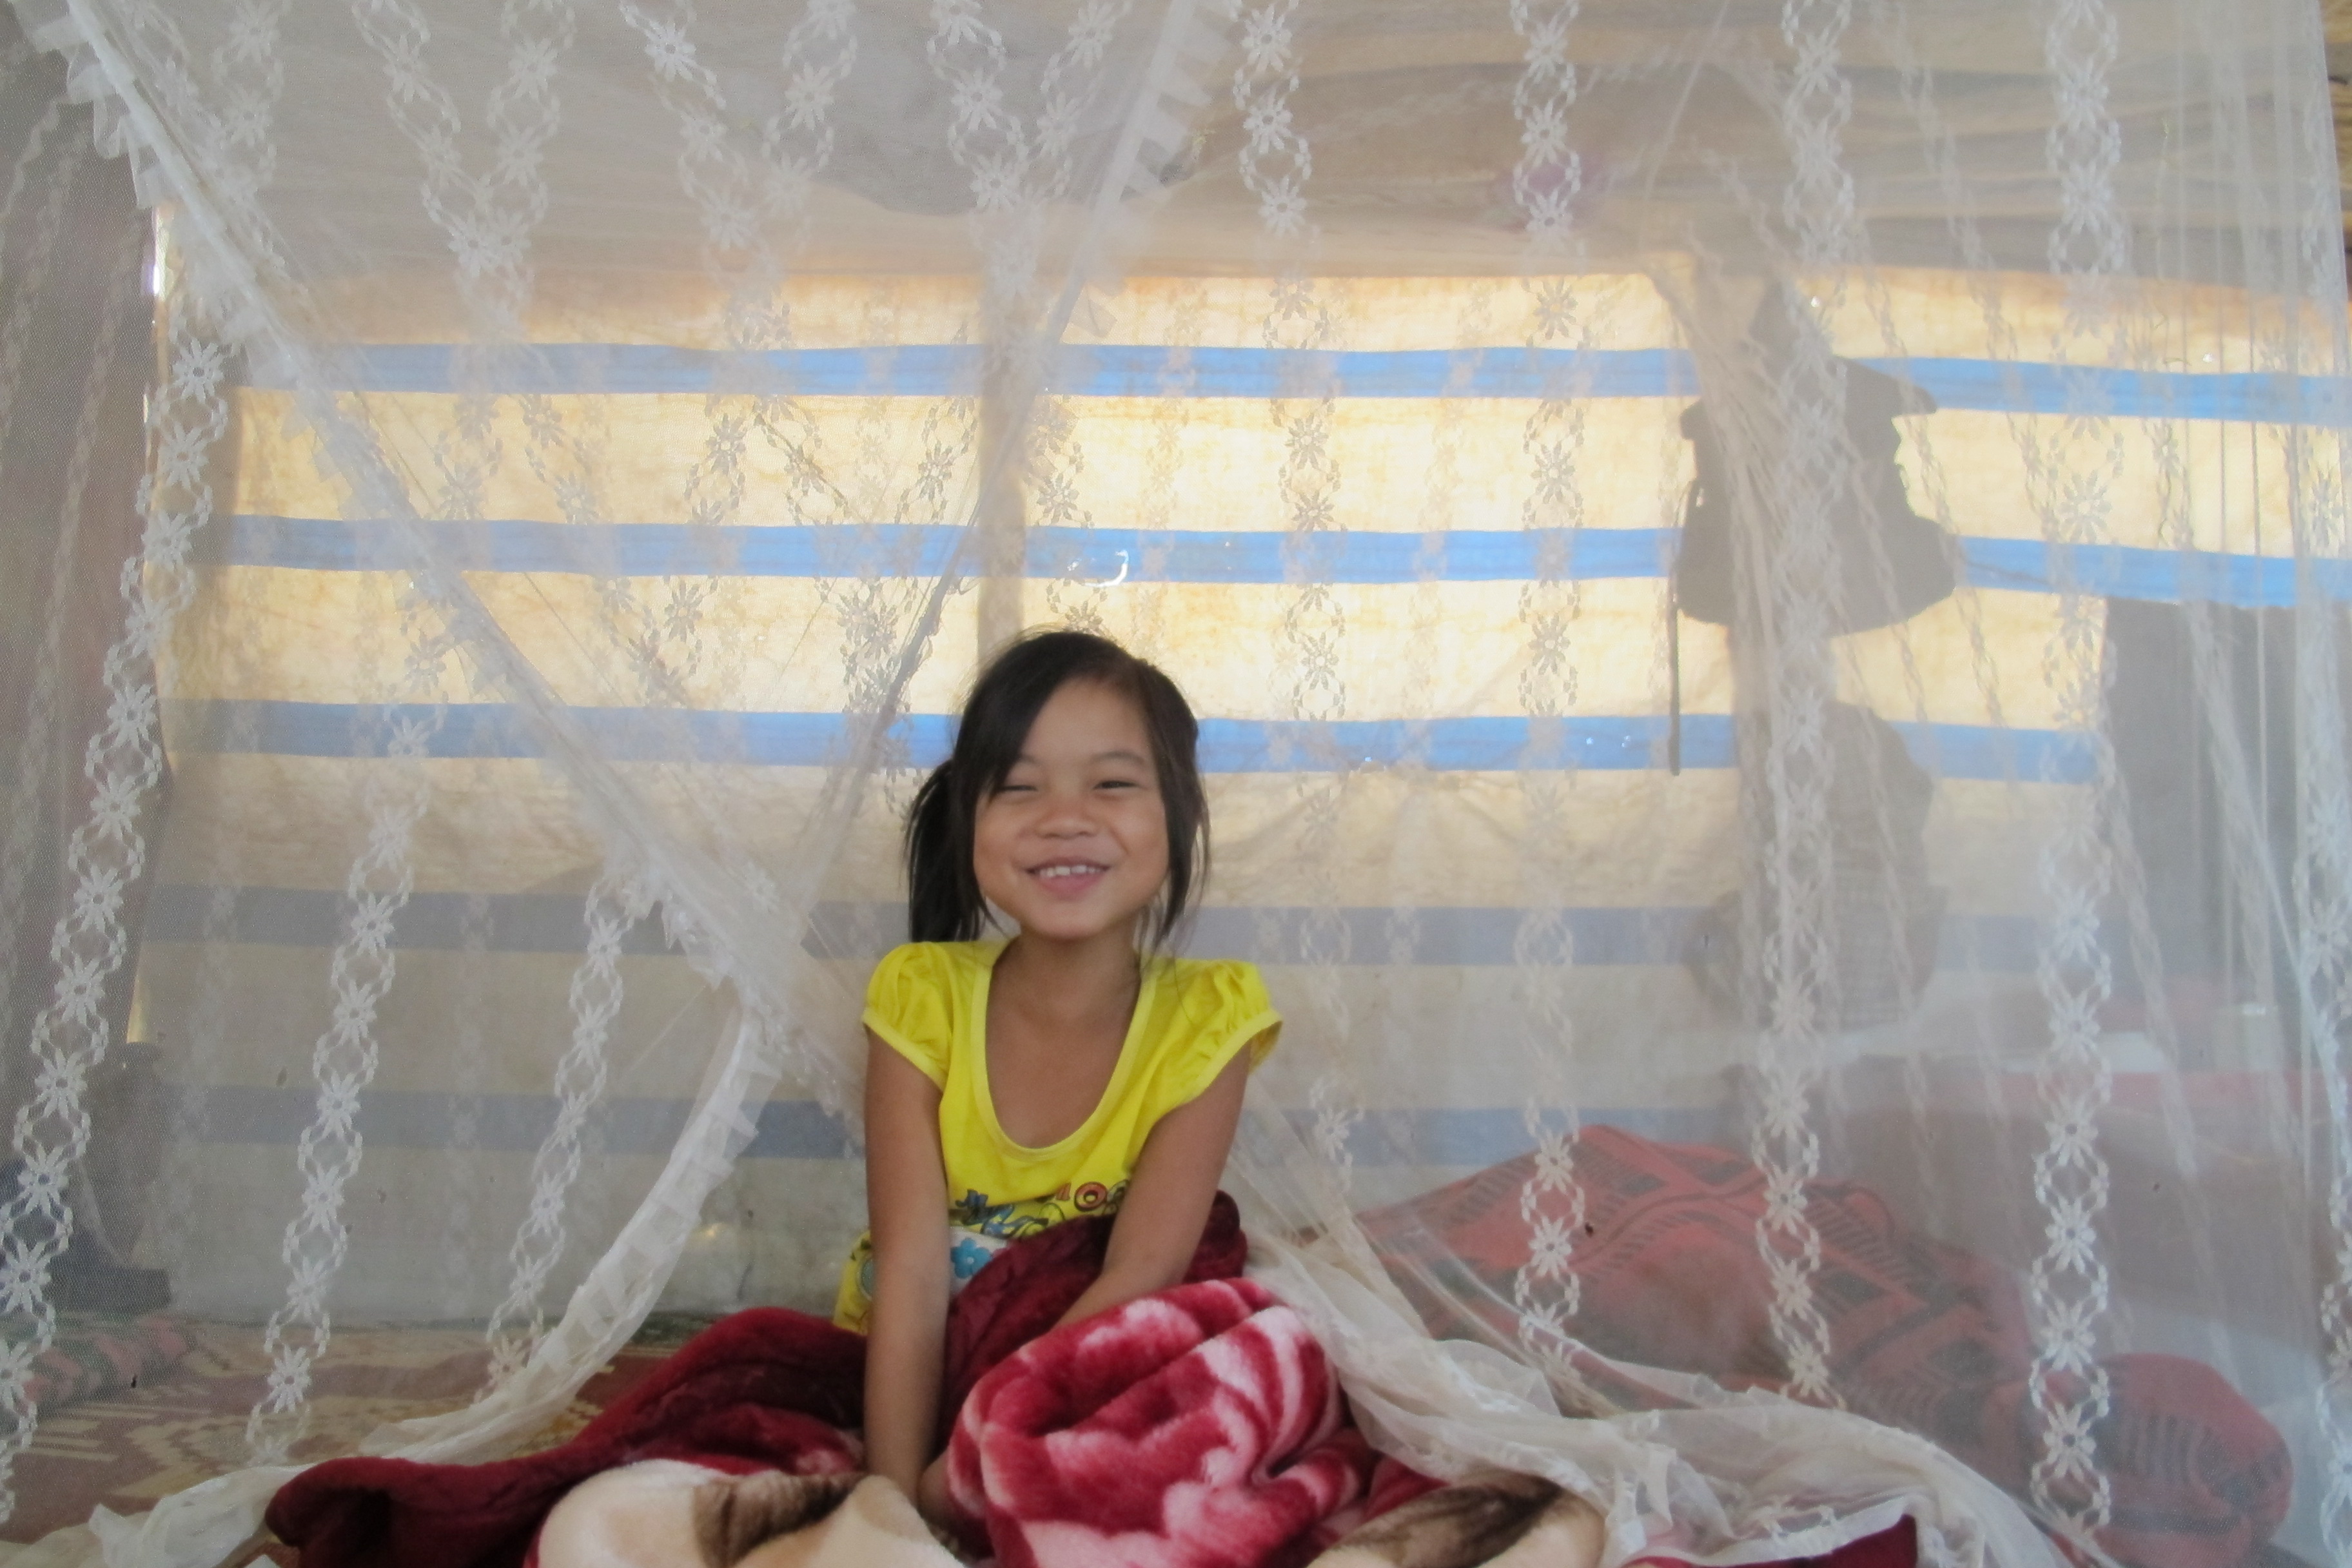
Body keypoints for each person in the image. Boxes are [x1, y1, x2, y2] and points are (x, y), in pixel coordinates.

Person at [839, 629, 1282, 1527]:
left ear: (1181, 816)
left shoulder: (1211, 1018)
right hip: (917, 1365)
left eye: (1112, 784)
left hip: (1069, 1364)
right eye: (1019, 787)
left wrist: (969, 1463)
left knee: (1247, 1369)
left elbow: (1144, 1271)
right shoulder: (920, 996)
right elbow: (913, 1274)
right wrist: (892, 1507)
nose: (1064, 818)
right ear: (969, 816)